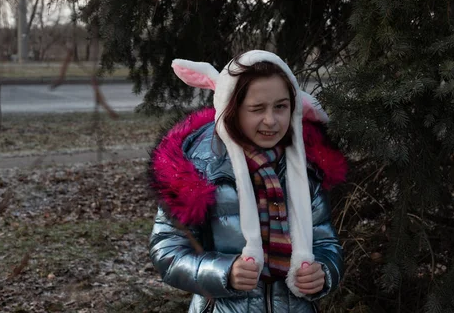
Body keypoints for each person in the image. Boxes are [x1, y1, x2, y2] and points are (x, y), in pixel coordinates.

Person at [148, 50, 347, 313]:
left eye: (281, 106)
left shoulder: (306, 167)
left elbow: (325, 242)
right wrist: (224, 272)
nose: (271, 120)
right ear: (232, 108)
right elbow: (168, 250)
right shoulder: (198, 168)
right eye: (257, 109)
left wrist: (323, 272)